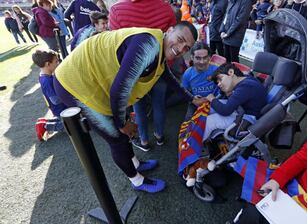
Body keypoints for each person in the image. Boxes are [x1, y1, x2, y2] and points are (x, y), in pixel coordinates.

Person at [54, 22, 203, 193]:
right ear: (169, 31)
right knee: (117, 138)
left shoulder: (159, 44)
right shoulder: (150, 44)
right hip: (73, 84)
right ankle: (137, 180)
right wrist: (123, 123)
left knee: (122, 134)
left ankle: (135, 163)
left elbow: (166, 75)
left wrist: (191, 99)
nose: (181, 48)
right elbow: (118, 92)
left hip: (91, 80)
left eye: (186, 47)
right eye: (180, 40)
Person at [109, 0, 177, 152]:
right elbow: (172, 38)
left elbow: (116, 45)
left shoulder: (117, 10)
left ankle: (144, 141)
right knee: (159, 104)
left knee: (138, 107)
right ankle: (159, 136)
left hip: (134, 72)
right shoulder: (165, 7)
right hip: (160, 67)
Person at [203, 63, 267, 141]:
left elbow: (225, 111)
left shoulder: (245, 87)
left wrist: (212, 99)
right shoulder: (246, 79)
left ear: (231, 72)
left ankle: (192, 147)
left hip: (246, 121)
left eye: (220, 79)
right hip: (242, 112)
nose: (219, 84)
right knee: (209, 107)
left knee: (210, 121)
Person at [32, 49, 67, 141]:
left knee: (69, 120)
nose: (58, 63)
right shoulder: (46, 80)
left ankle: (45, 122)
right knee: (72, 126)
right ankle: (45, 126)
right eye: (56, 61)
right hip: (60, 109)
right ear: (48, 64)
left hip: (60, 108)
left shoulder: (46, 75)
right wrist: (67, 94)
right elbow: (55, 100)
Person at [182, 42, 219, 120]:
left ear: (209, 57)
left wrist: (214, 99)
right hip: (196, 103)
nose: (202, 62)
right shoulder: (188, 73)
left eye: (205, 57)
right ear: (192, 57)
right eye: (198, 58)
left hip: (214, 102)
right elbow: (184, 91)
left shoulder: (216, 70)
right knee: (187, 121)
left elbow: (224, 90)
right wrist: (192, 97)